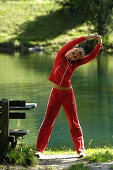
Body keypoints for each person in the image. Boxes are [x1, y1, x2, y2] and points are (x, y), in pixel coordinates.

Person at [36, 34, 102, 158]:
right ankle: (39, 150)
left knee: (74, 122)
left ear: (77, 59)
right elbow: (72, 42)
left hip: (68, 94)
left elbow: (91, 56)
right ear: (71, 50)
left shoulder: (75, 64)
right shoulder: (61, 55)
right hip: (55, 93)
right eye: (73, 53)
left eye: (75, 57)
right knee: (48, 121)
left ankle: (80, 150)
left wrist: (99, 44)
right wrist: (88, 37)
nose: (72, 56)